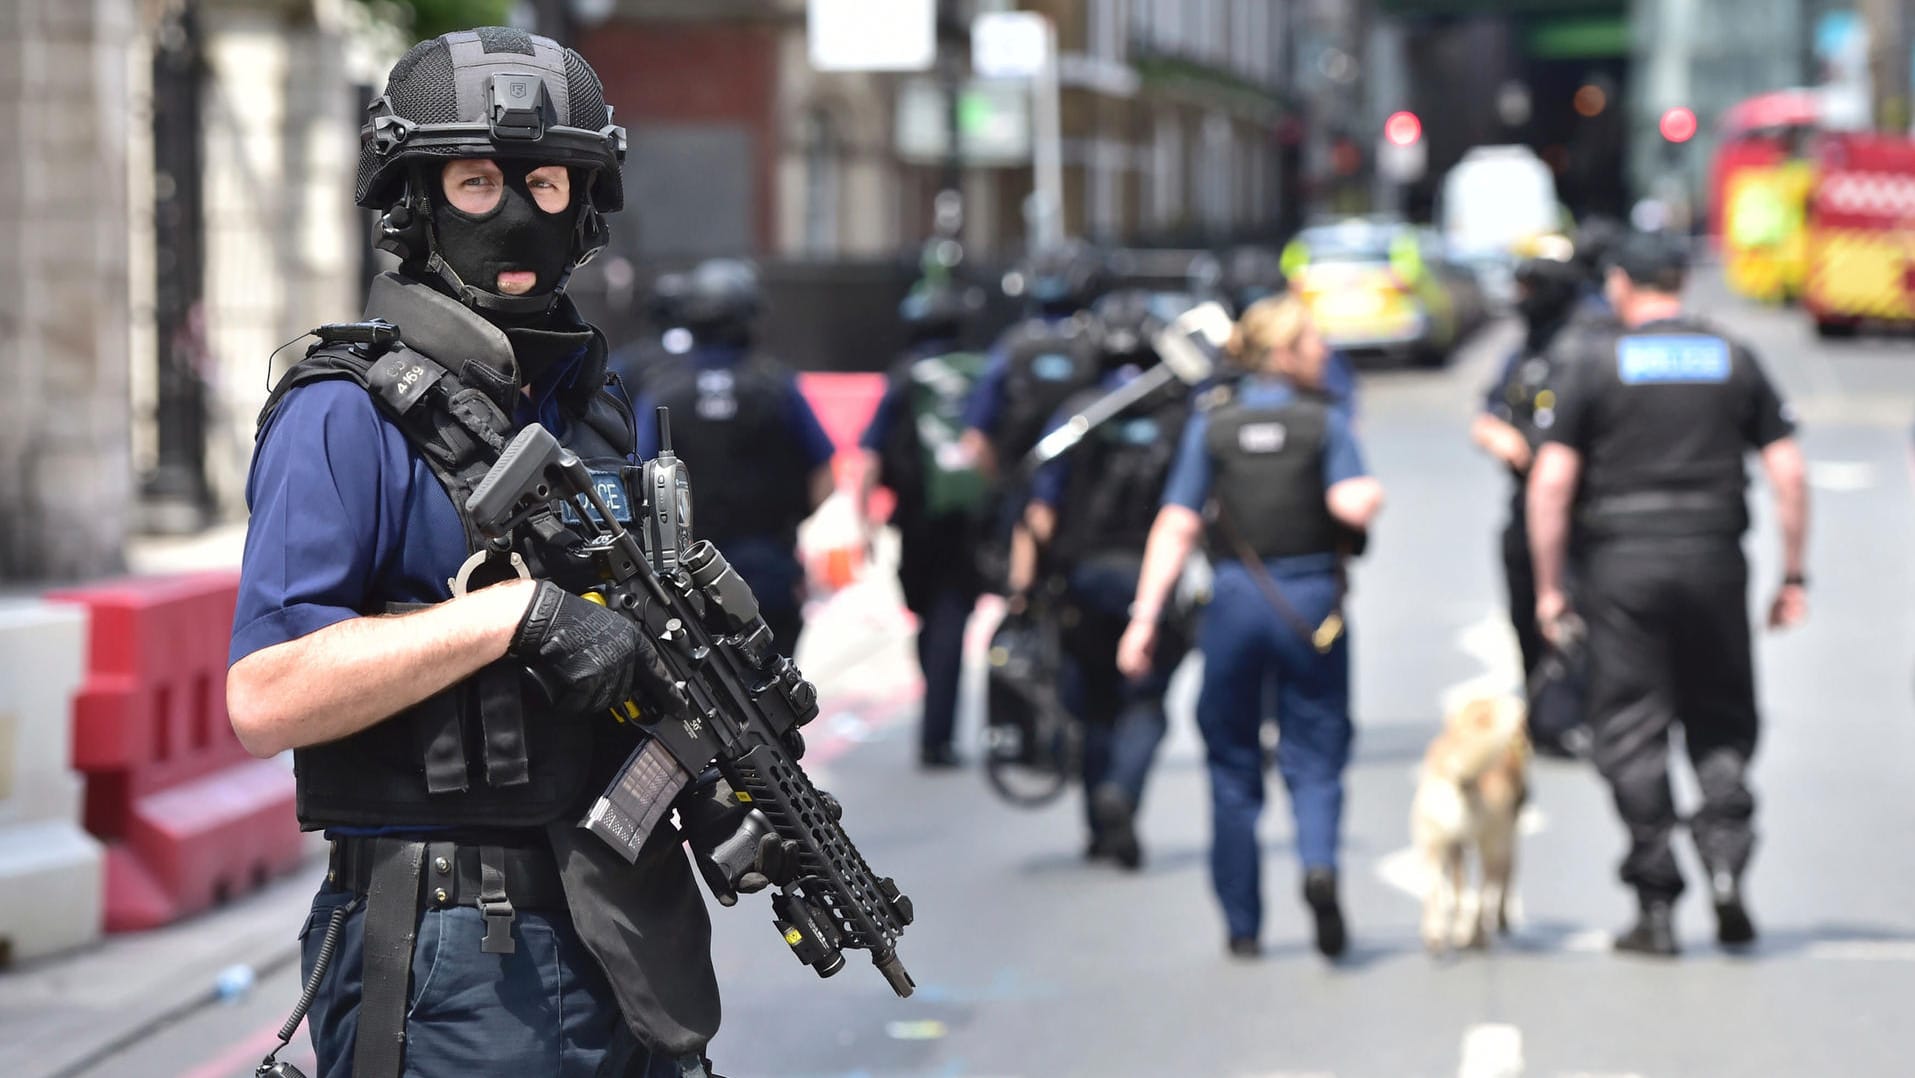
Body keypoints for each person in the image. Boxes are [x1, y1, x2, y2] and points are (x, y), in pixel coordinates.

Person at [227, 28, 743, 1077]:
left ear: (585, 204)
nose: (515, 211)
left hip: (626, 933)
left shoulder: (594, 411)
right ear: (415, 201)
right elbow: (266, 693)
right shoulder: (344, 414)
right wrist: (513, 616)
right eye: (474, 181)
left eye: (546, 183)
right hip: (455, 948)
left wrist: (717, 753)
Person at [1527, 230, 1809, 957]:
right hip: (1714, 560)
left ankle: (1655, 901)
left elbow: (1551, 484)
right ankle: (1724, 864)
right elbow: (1788, 474)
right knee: (1719, 719)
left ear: (1621, 282)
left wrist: (1549, 587)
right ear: (1680, 279)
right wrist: (1792, 576)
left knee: (1629, 727)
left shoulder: (1593, 362)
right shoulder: (1732, 357)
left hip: (1622, 567)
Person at [1118, 295, 1384, 960]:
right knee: (1315, 752)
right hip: (1309, 603)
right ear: (1283, 352)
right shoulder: (1324, 422)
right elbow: (1349, 501)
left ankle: (1241, 925)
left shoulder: (1213, 424)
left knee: (1231, 763)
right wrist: (1366, 501)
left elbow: (1176, 523)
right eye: (1313, 340)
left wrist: (1144, 618)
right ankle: (1318, 864)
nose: (1324, 350)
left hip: (1234, 603)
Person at [1023, 289, 1194, 868]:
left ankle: (1099, 822)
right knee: (1145, 704)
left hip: (1083, 581)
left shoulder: (1075, 415)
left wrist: (1025, 589)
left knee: (1093, 704)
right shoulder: (1177, 415)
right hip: (1154, 582)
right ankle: (1123, 792)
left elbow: (1040, 514)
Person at [627, 258, 838, 652]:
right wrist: (789, 519)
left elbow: (640, 480)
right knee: (777, 698)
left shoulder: (663, 391)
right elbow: (826, 475)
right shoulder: (778, 386)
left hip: (691, 580)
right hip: (769, 568)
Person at [857, 283, 992, 769]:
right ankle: (939, 732)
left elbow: (870, 454)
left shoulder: (904, 377)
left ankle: (934, 725)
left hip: (915, 522)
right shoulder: (983, 371)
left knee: (930, 617)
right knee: (951, 620)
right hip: (970, 524)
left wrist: (863, 525)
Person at [1471, 249, 1597, 757]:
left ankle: (1576, 716)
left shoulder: (1588, 347)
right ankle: (1544, 720)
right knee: (1527, 614)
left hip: (1581, 509)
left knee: (1572, 613)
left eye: (1530, 288)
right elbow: (1488, 410)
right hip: (1525, 505)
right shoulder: (1528, 348)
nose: (1520, 300)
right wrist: (1495, 434)